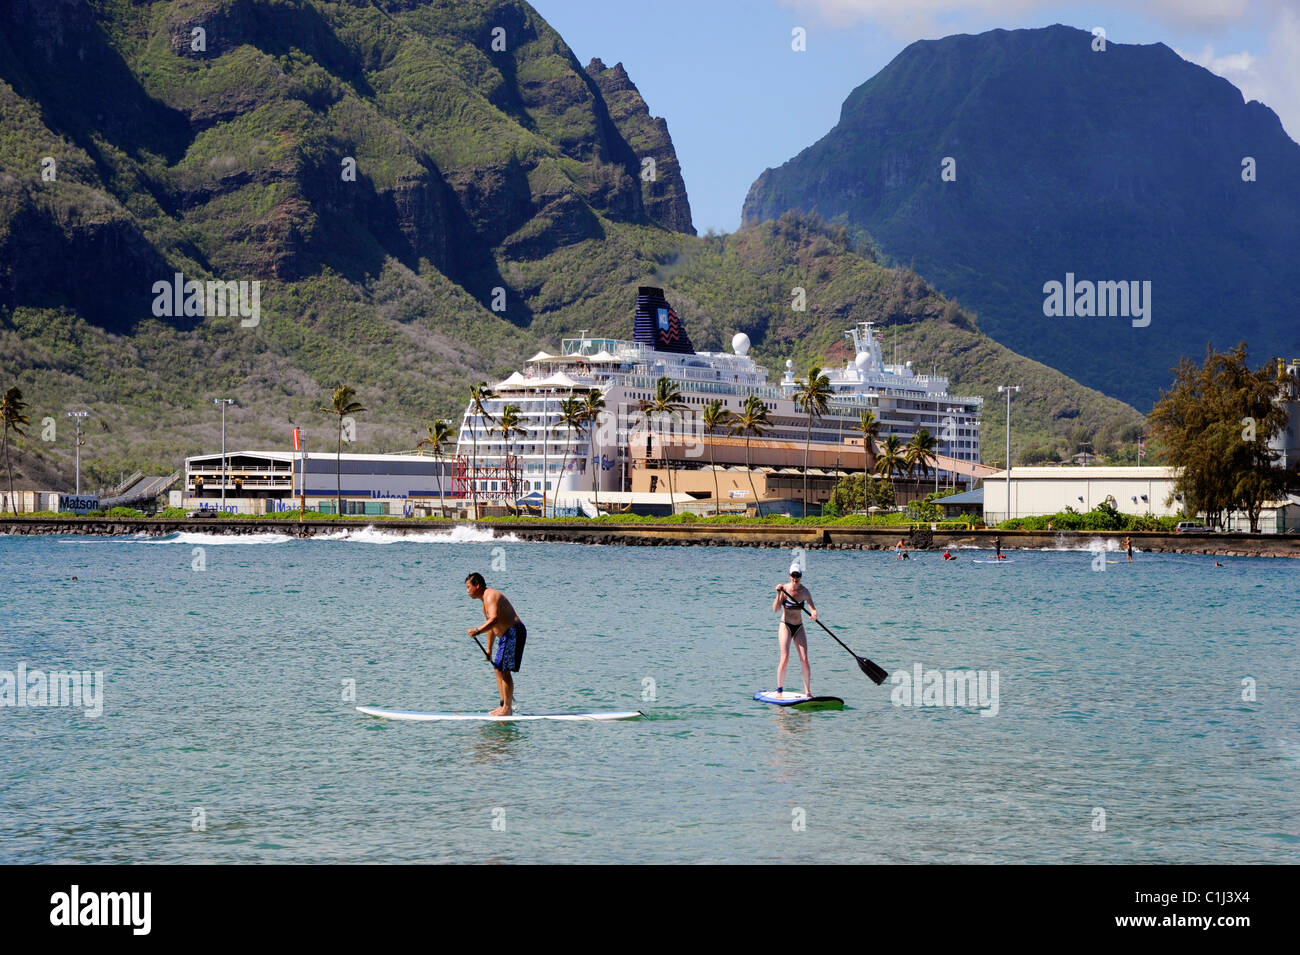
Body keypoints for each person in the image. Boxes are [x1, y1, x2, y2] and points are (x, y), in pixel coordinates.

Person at [465, 572, 526, 716]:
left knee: (504, 669)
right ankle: (502, 704)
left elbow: (494, 620)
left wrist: (477, 631)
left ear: (477, 585)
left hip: (514, 632)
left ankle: (507, 708)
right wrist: (489, 649)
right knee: (498, 668)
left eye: (469, 587)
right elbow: (491, 627)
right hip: (506, 636)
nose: (467, 591)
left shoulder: (490, 596)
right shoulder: (484, 603)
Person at [773, 563, 816, 698]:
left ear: (801, 576)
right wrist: (778, 593)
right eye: (793, 575)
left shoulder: (805, 592)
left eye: (797, 575)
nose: (795, 578)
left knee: (804, 659)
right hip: (785, 625)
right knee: (785, 658)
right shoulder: (784, 589)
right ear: (789, 575)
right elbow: (776, 609)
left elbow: (812, 608)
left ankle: (808, 692)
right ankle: (779, 691)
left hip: (799, 627)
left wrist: (814, 614)